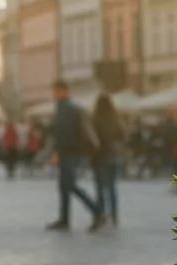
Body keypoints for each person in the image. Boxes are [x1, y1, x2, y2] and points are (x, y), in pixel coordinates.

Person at [46, 80, 105, 231]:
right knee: (64, 187)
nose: (54, 94)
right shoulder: (63, 108)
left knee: (70, 185)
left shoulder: (67, 109)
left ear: (64, 91)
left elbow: (66, 134)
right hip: (70, 152)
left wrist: (57, 152)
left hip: (70, 153)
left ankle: (97, 211)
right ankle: (64, 219)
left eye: (56, 91)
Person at [91, 92, 124, 228]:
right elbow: (122, 136)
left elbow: (93, 139)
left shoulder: (95, 120)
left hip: (100, 156)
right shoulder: (115, 119)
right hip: (114, 156)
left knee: (100, 189)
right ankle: (114, 216)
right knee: (112, 187)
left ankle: (101, 215)